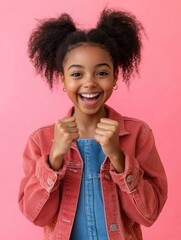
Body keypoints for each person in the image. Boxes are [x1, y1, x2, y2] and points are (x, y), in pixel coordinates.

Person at [18, 8, 167, 240]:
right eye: (77, 74)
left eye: (101, 72)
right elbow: (36, 216)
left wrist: (118, 158)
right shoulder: (41, 140)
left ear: (115, 76)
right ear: (63, 79)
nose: (89, 83)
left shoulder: (139, 134)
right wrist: (54, 159)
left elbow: (149, 214)